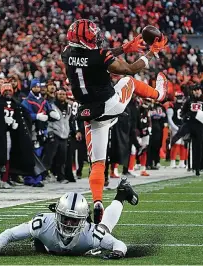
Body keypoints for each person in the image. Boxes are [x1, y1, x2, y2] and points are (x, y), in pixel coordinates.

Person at [61, 19, 168, 223]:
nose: (97, 38)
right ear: (84, 40)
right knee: (128, 81)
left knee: (98, 163)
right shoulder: (99, 55)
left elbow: (96, 58)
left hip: (89, 113)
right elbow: (128, 68)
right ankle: (159, 95)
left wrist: (122, 48)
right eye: (92, 36)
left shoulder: (66, 52)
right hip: (110, 104)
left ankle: (98, 202)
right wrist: (152, 52)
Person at [0, 177, 138, 259]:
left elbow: (119, 244)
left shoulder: (91, 234)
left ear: (83, 221)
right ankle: (122, 193)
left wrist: (118, 252)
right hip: (48, 243)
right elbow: (10, 233)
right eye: (65, 218)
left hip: (81, 240)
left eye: (74, 220)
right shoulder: (43, 223)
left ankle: (121, 194)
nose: (68, 223)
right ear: (57, 214)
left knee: (103, 228)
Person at [172, 86, 203, 176]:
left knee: (197, 148)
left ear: (201, 91)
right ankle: (173, 140)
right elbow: (183, 112)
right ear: (193, 92)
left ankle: (196, 168)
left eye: (198, 90)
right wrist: (186, 116)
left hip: (199, 126)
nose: (197, 92)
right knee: (182, 130)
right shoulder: (189, 101)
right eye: (195, 90)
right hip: (190, 123)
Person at [166, 92, 186, 168]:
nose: (180, 98)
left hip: (183, 127)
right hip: (176, 127)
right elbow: (169, 119)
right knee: (176, 144)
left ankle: (182, 162)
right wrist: (175, 127)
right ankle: (173, 162)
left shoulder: (185, 106)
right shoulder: (172, 106)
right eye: (178, 96)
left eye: (181, 96)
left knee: (183, 144)